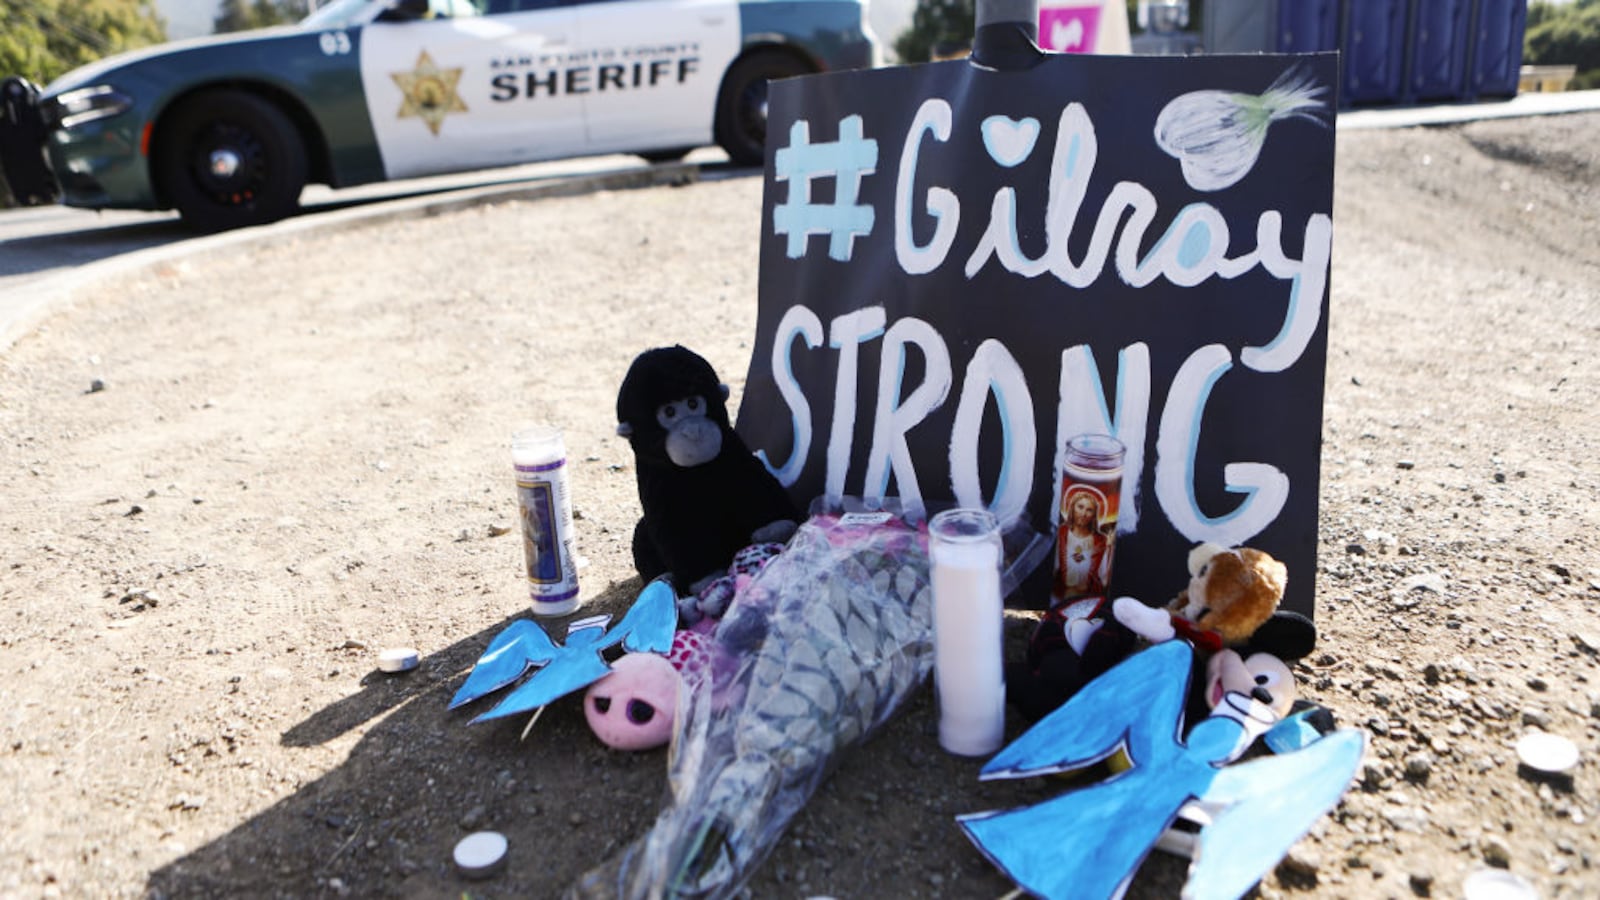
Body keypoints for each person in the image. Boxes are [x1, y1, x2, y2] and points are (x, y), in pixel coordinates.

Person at [1054, 487, 1108, 602]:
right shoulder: (1061, 533)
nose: (1084, 514)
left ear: (1094, 515)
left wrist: (1111, 549)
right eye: (1080, 507)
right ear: (1072, 508)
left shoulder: (1100, 541)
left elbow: (1103, 578)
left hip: (1087, 600)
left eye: (1089, 510)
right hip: (1058, 597)